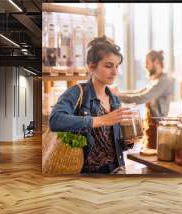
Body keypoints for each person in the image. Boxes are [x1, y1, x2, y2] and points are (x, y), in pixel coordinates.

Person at [49, 36, 131, 174]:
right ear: (92, 66)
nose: (115, 72)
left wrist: (128, 141)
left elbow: (112, 144)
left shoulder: (114, 99)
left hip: (116, 170)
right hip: (88, 173)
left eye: (117, 66)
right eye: (109, 66)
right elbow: (55, 120)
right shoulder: (76, 92)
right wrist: (100, 120)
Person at [112, 50, 175, 149]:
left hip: (158, 126)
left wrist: (118, 96)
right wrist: (119, 93)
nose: (145, 66)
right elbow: (140, 92)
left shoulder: (164, 81)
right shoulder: (156, 79)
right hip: (151, 125)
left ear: (157, 62)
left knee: (152, 158)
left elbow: (142, 97)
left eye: (147, 63)